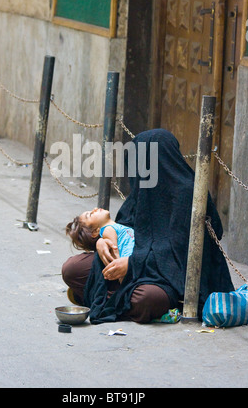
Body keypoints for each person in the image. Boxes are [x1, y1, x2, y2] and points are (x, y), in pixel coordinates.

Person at [62, 129, 234, 324]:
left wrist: (133, 264)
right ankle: (108, 295)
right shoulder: (144, 188)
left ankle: (97, 296)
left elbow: (182, 252)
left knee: (147, 299)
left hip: (165, 276)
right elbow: (126, 226)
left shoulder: (186, 193)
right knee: (71, 269)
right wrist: (102, 241)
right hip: (134, 259)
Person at [66, 207, 135, 282]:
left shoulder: (115, 227)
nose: (95, 209)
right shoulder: (108, 230)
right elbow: (116, 261)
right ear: (94, 232)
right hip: (132, 270)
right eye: (90, 215)